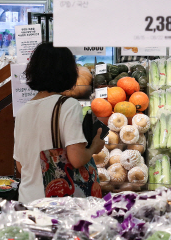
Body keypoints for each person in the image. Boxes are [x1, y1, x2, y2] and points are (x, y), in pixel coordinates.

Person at [13, 43, 105, 204]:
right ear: (67, 72)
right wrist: (93, 148)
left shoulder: (22, 112)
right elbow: (76, 158)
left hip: (27, 201)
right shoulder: (67, 105)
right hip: (56, 204)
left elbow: (21, 167)